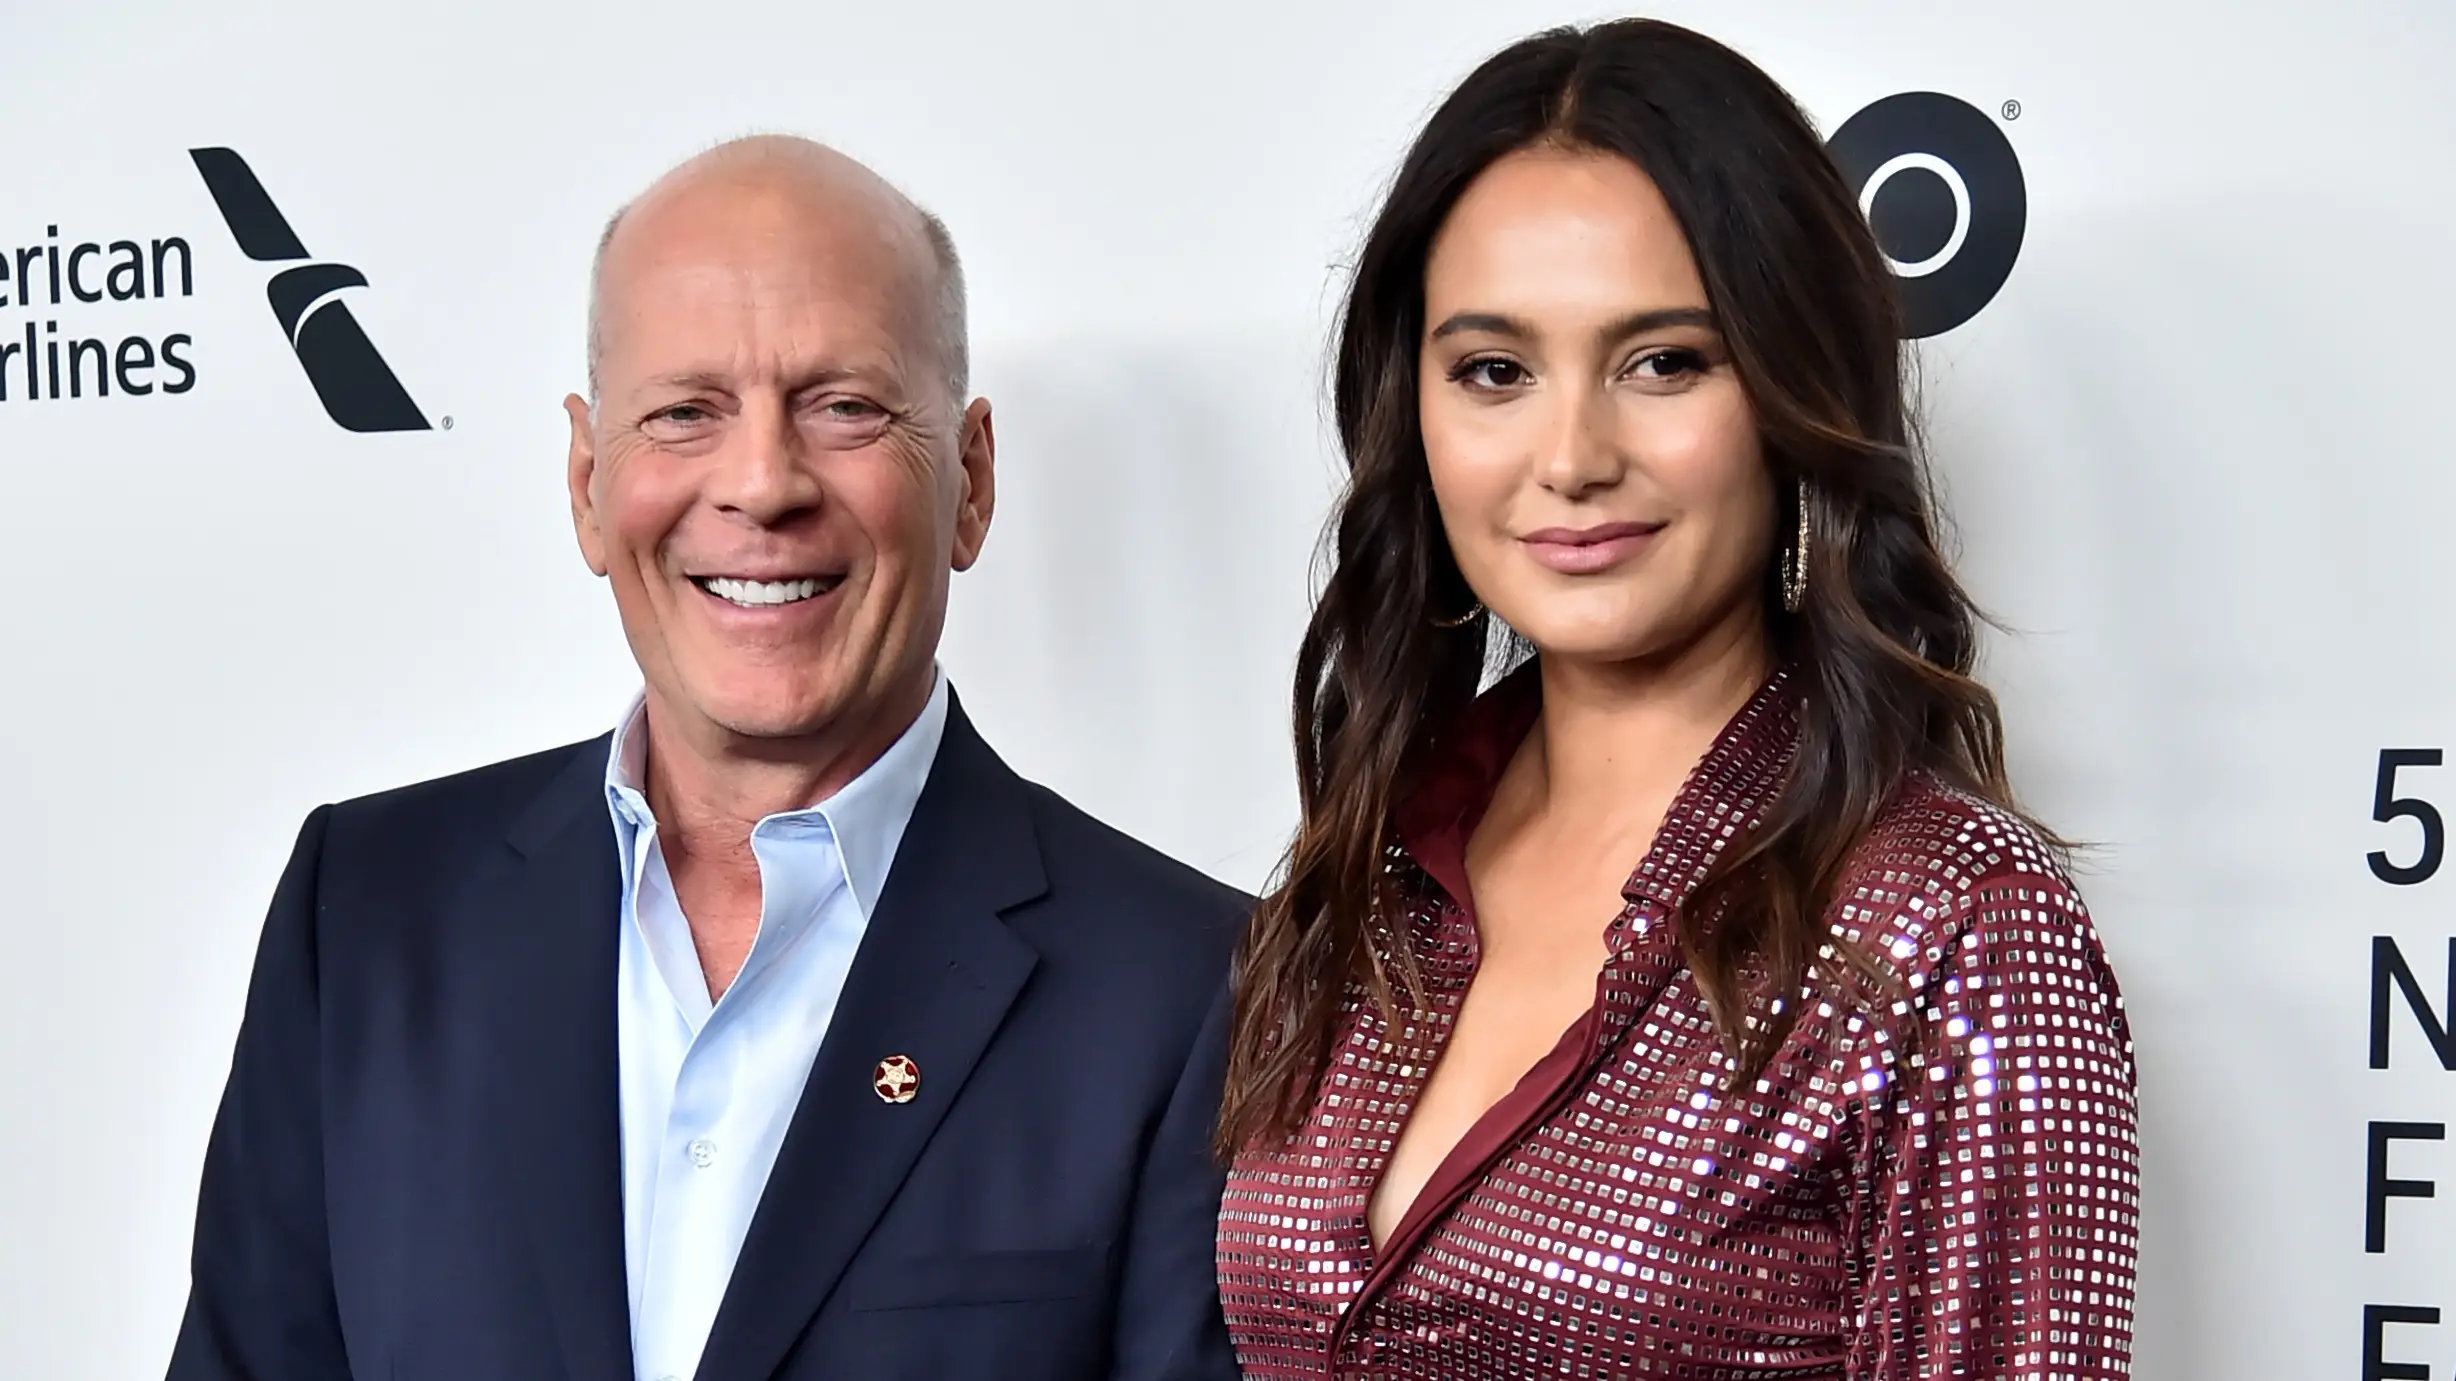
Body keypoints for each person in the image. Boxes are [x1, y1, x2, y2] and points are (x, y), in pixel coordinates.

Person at [169, 136, 1245, 1381]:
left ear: (971, 482)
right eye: (684, 412)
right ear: (586, 482)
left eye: (845, 406)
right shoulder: (363, 910)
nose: (761, 484)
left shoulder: (1196, 990)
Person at [1214, 19, 2138, 1378]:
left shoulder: (1954, 924)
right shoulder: (1370, 872)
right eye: (1494, 371)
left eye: (1664, 363)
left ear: (1789, 393)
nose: (1572, 455)